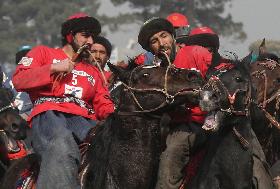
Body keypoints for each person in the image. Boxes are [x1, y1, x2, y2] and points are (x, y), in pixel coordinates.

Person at [12, 13, 114, 189]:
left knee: (113, 147)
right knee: (61, 143)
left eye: (92, 36)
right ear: (70, 35)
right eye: (85, 35)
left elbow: (102, 103)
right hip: (49, 114)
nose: (90, 41)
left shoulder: (93, 71)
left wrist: (117, 116)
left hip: (85, 120)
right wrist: (52, 68)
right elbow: (19, 79)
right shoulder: (43, 53)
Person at [138, 17, 213, 189]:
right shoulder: (156, 72)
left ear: (172, 36)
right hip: (183, 126)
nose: (161, 43)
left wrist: (207, 106)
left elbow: (216, 77)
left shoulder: (196, 52)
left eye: (164, 36)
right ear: (151, 49)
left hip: (212, 118)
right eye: (154, 41)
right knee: (169, 156)